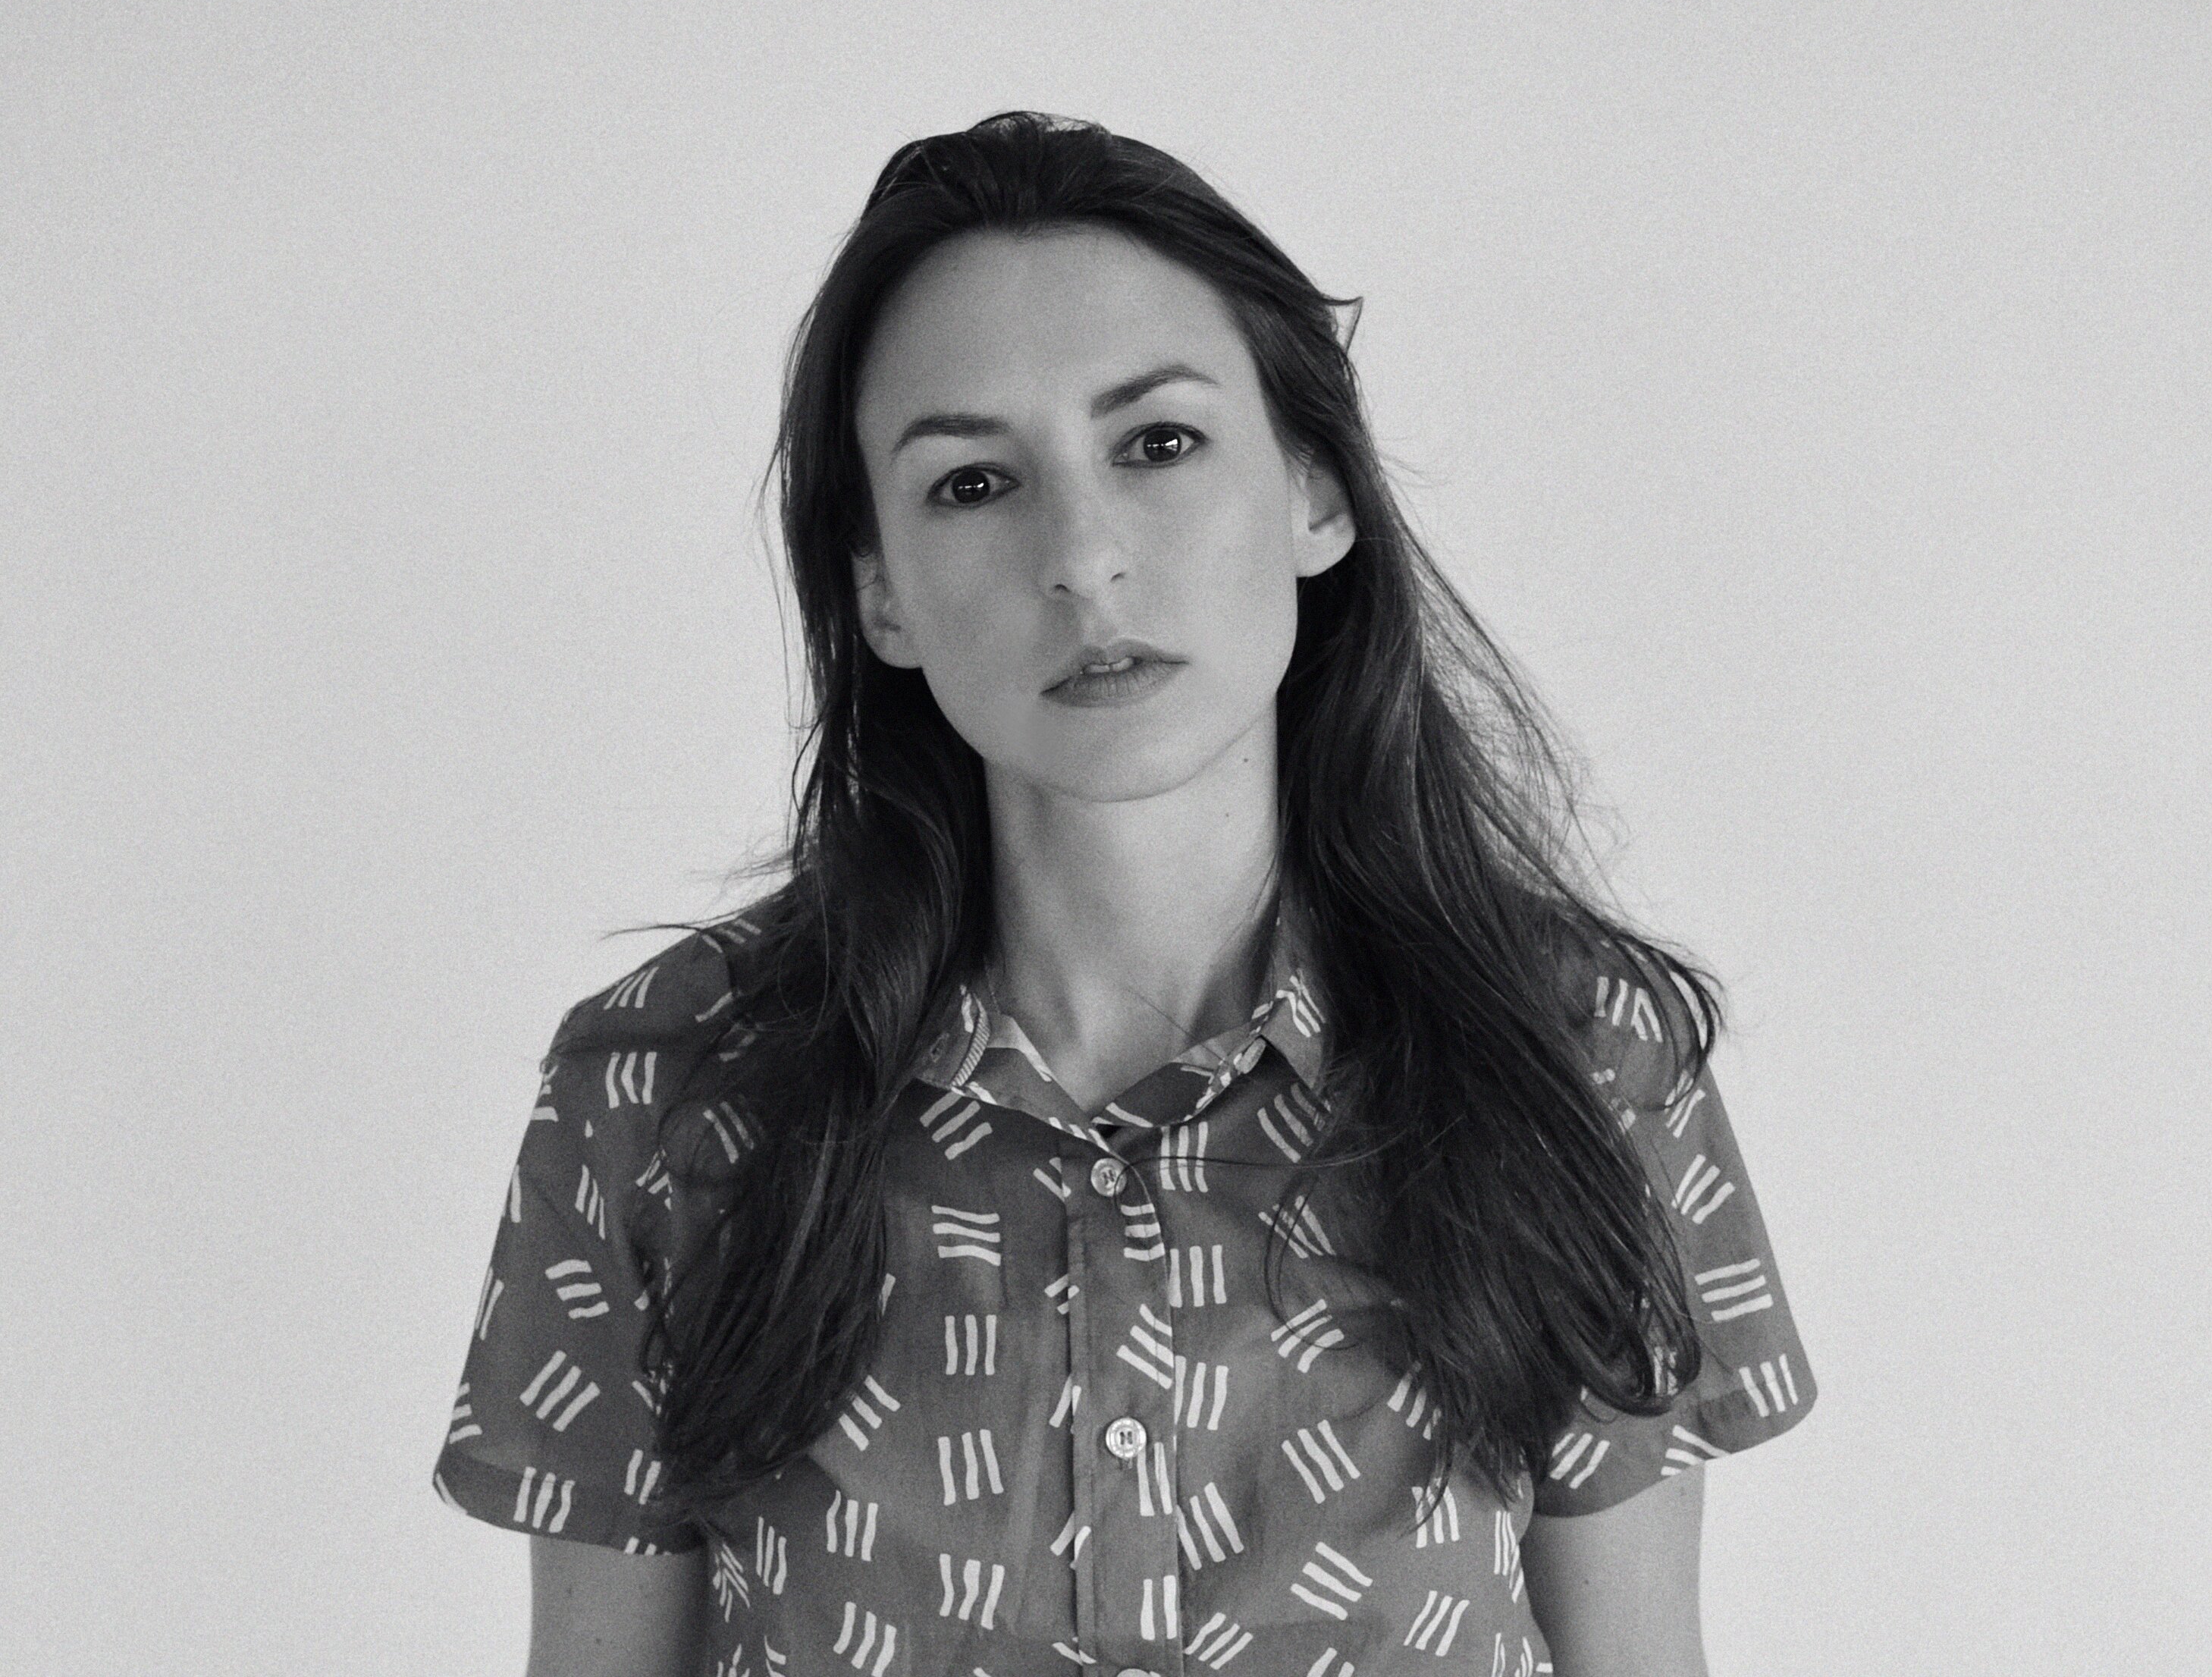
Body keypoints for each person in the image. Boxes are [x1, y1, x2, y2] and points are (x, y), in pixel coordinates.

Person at [431, 111, 1816, 1677]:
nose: (1082, 558)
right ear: (879, 591)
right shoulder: (668, 1088)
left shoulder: (1577, 1050)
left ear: (1314, 492)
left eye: (1156, 445)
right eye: (972, 483)